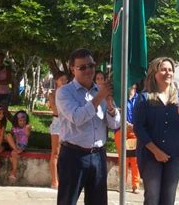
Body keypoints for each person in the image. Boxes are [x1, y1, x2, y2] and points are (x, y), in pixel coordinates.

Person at [56, 48, 120, 205]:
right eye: (82, 67)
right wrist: (99, 97)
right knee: (67, 201)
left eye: (91, 65)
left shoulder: (102, 91)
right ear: (72, 69)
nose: (88, 70)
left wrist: (111, 106)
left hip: (98, 156)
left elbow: (115, 124)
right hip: (73, 156)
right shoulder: (64, 92)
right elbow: (77, 118)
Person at [133, 57, 179, 205]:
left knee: (168, 199)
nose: (167, 72)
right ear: (154, 73)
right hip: (150, 157)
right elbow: (139, 128)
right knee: (152, 198)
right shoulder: (144, 98)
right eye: (163, 69)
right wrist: (156, 151)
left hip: (175, 156)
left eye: (170, 70)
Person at [114, 83, 140, 194]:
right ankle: (122, 184)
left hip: (134, 131)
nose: (131, 88)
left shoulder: (139, 98)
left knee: (134, 159)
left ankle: (135, 185)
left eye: (133, 86)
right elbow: (115, 114)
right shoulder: (120, 98)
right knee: (123, 158)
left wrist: (134, 125)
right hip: (121, 130)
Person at [47, 71, 68, 189]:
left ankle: (65, 179)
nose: (64, 82)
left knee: (67, 154)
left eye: (66, 80)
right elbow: (56, 111)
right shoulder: (52, 94)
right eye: (62, 80)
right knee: (55, 153)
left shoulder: (70, 94)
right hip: (57, 123)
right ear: (57, 82)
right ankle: (54, 181)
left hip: (68, 123)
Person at [6, 110, 32, 182]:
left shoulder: (26, 127)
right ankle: (16, 150)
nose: (22, 122)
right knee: (8, 135)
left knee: (13, 153)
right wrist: (14, 144)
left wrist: (27, 129)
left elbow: (27, 135)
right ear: (16, 121)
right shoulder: (15, 128)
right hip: (15, 145)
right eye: (20, 120)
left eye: (24, 120)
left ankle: (14, 172)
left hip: (22, 145)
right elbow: (13, 138)